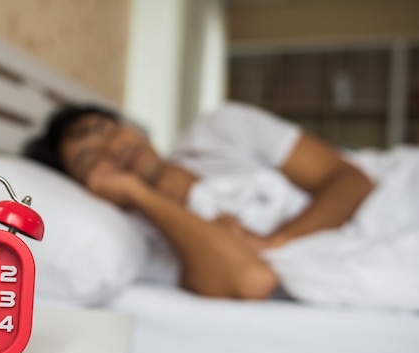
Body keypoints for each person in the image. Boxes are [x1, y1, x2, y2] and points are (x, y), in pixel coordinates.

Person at [24, 102, 418, 306]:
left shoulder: (221, 128)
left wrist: (277, 243)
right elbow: (251, 280)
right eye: (91, 159)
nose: (115, 147)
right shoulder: (145, 234)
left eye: (109, 129)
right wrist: (137, 195)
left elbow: (352, 179)